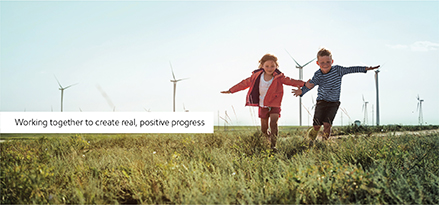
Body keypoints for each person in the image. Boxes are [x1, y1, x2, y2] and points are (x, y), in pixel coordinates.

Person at [221, 53, 306, 151]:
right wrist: (231, 90)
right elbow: (244, 83)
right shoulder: (256, 76)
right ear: (262, 66)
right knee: (263, 129)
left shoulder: (279, 77)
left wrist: (304, 83)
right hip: (263, 105)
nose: (270, 68)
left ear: (276, 66)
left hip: (275, 104)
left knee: (274, 123)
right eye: (267, 66)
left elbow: (291, 81)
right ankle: (266, 143)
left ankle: (273, 146)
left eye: (272, 66)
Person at [293, 48, 380, 141]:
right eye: (322, 62)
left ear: (332, 61)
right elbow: (311, 85)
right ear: (317, 63)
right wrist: (302, 91)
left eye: (328, 62)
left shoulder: (338, 70)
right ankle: (310, 140)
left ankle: (324, 143)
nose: (325, 65)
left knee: (327, 124)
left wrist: (366, 69)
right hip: (321, 102)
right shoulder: (318, 74)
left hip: (334, 103)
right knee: (317, 126)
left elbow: (351, 69)